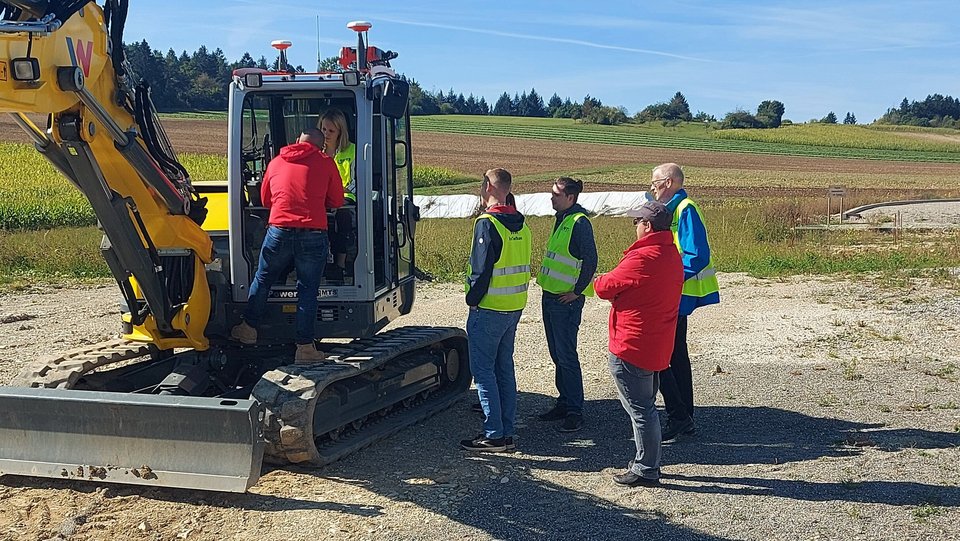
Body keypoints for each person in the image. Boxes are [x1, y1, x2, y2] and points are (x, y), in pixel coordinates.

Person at [230, 128, 345, 363]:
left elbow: (266, 200)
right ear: (320, 146)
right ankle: (305, 348)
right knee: (307, 289)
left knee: (263, 279)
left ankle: (248, 329)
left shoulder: (276, 162)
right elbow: (336, 200)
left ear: (296, 142)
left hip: (279, 232)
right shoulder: (326, 162)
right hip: (313, 234)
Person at [594, 200, 683, 487]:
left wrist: (608, 286)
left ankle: (646, 468)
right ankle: (648, 461)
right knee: (646, 405)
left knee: (641, 409)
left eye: (637, 222)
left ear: (647, 226)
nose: (635, 227)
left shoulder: (642, 258)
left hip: (632, 344)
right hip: (656, 342)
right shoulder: (670, 253)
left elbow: (604, 286)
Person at [460, 168, 532, 453]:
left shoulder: (487, 223)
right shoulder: (522, 225)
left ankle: (494, 434)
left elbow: (481, 270)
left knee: (484, 372)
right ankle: (507, 430)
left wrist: (472, 300)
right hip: (513, 307)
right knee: (504, 368)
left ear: (488, 187)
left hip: (488, 308)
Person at [649, 163, 720, 441]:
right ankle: (683, 416)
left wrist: (669, 279)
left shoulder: (684, 209)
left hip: (677, 292)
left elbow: (696, 255)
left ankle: (678, 415)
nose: (651, 186)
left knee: (664, 356)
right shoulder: (673, 208)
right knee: (675, 355)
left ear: (668, 182)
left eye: (654, 181)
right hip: (674, 292)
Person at [535, 177, 598, 433]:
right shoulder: (562, 219)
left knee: (567, 355)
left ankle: (574, 410)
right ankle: (564, 402)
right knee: (557, 354)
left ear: (570, 198)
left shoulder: (579, 223)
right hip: (551, 296)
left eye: (556, 194)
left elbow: (591, 260)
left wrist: (577, 291)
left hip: (565, 301)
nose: (552, 198)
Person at [319, 108, 357, 281]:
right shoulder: (315, 152)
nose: (326, 134)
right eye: (323, 129)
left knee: (342, 217)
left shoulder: (353, 151)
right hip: (320, 198)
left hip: (347, 198)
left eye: (331, 131)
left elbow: (356, 183)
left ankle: (340, 265)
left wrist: (337, 193)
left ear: (341, 132)